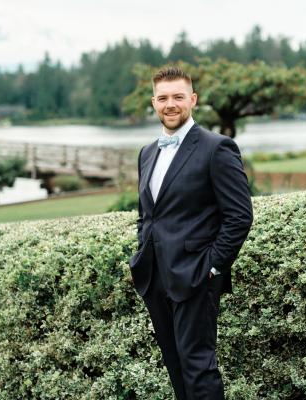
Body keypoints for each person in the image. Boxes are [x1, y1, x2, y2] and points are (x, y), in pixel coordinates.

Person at [129, 66, 253, 400]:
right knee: (175, 365)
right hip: (156, 277)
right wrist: (142, 254)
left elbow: (240, 216)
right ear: (154, 102)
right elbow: (148, 215)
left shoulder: (217, 148)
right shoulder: (147, 153)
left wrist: (212, 266)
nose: (171, 104)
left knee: (198, 367)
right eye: (163, 98)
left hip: (196, 276)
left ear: (193, 100)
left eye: (178, 97)